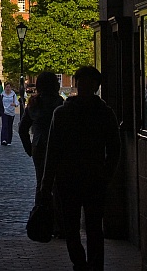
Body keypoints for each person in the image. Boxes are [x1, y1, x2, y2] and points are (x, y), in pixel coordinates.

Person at [41, 66, 121, 271]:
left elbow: (114, 149)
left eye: (88, 83)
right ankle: (83, 263)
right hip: (72, 179)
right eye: (81, 82)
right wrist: (46, 183)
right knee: (73, 228)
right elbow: (53, 151)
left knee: (91, 228)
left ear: (96, 86)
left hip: (88, 179)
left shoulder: (100, 113)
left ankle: (88, 265)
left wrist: (106, 174)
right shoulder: (66, 113)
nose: (83, 86)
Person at [19, 71, 64, 203]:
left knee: (41, 181)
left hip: (39, 145)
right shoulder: (59, 103)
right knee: (57, 183)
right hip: (57, 147)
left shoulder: (34, 103)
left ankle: (41, 211)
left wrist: (29, 148)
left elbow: (22, 129)